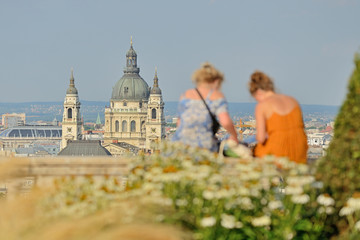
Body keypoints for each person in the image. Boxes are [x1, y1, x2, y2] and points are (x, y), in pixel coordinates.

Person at [172, 62, 238, 152]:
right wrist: (235, 136)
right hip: (204, 146)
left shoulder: (185, 95)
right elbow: (225, 122)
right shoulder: (216, 96)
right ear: (216, 81)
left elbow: (179, 123)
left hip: (180, 146)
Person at [249, 71, 308, 164]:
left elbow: (261, 138)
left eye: (255, 98)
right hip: (299, 150)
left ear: (259, 92)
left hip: (278, 151)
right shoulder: (293, 100)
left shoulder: (262, 106)